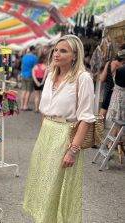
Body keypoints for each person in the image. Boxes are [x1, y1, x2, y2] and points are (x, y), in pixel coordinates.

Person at [23, 35, 95, 223]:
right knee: (43, 185)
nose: (56, 53)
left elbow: (86, 118)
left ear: (74, 55)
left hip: (65, 135)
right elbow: (46, 112)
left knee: (58, 189)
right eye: (56, 49)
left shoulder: (83, 78)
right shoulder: (51, 74)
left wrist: (73, 151)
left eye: (63, 50)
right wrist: (41, 136)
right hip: (46, 132)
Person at [99, 45, 125, 118]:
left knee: (103, 109)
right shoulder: (122, 67)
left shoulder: (109, 63)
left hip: (108, 90)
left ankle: (98, 128)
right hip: (120, 94)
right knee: (118, 116)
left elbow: (102, 79)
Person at [20, 46, 38, 111]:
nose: (35, 51)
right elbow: (35, 67)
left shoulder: (24, 57)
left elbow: (22, 66)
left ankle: (21, 106)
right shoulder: (35, 57)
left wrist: (21, 73)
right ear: (33, 50)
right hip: (30, 75)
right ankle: (25, 106)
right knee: (28, 91)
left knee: (23, 91)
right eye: (35, 50)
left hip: (23, 75)